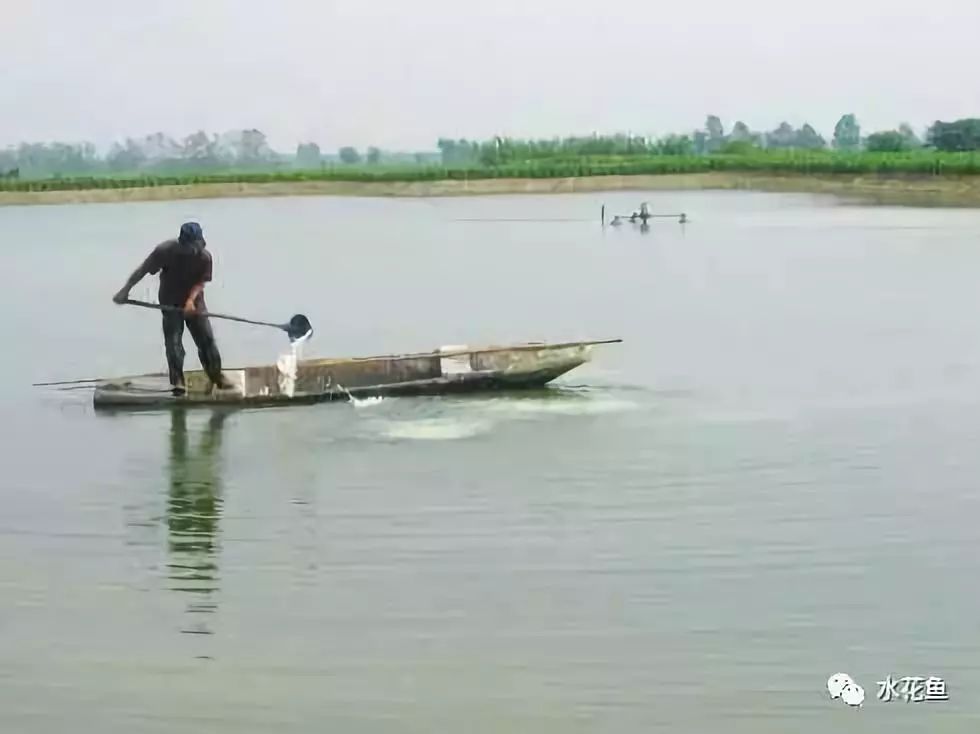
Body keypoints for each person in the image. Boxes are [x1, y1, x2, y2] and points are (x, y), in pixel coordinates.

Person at [112, 222, 234, 396]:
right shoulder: (165, 251)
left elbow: (201, 283)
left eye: (197, 246)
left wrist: (191, 302)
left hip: (195, 303)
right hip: (169, 302)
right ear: (181, 242)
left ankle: (216, 377)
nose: (193, 250)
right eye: (189, 247)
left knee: (206, 340)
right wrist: (125, 290)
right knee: (174, 343)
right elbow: (143, 270)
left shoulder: (204, 257)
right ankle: (178, 381)